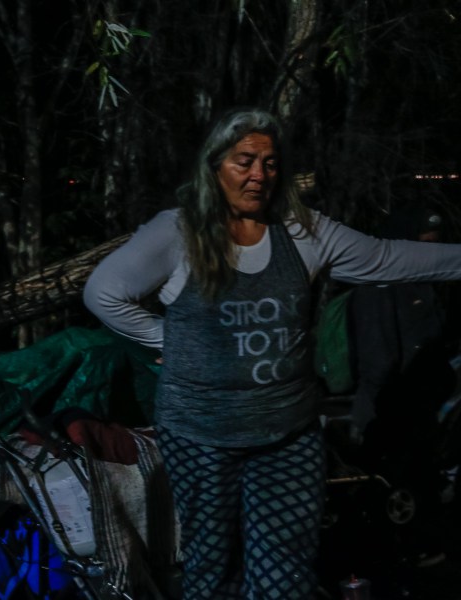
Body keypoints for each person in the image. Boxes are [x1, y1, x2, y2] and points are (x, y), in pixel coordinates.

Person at [82, 107, 461, 599]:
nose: (258, 175)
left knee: (284, 575)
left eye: (270, 163)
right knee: (214, 569)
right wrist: (167, 340)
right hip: (201, 436)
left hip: (287, 435)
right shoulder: (178, 232)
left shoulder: (302, 232)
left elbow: (385, 257)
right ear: (215, 165)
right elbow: (104, 292)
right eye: (244, 161)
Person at [348, 205, 460, 567]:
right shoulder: (382, 282)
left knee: (416, 475)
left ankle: (414, 545)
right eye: (424, 237)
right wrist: (383, 402)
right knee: (391, 480)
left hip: (418, 400)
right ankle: (391, 551)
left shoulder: (420, 280)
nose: (431, 244)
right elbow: (377, 354)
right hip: (393, 403)